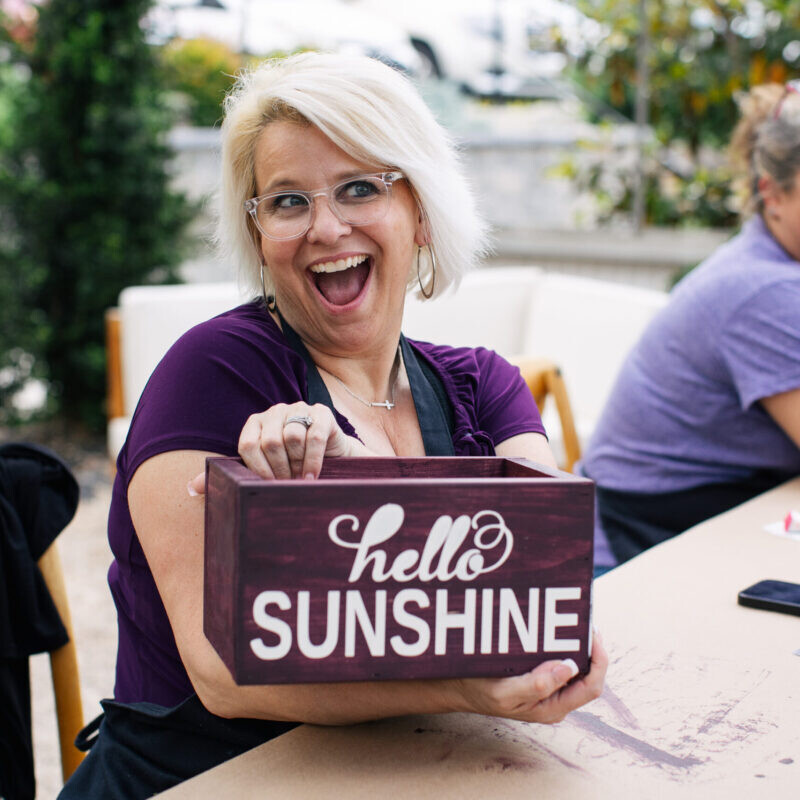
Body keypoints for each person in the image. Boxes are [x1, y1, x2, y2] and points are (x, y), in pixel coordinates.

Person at [60, 53, 606, 798]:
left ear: (419, 210)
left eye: (359, 188)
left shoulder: (485, 387)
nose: (325, 226)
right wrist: (466, 688)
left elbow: (551, 594)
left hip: (415, 775)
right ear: (258, 235)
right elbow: (223, 678)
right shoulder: (213, 375)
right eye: (287, 202)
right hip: (198, 779)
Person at [582, 82, 800, 570]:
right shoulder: (764, 291)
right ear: (772, 193)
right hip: (635, 547)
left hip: (699, 519)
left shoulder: (768, 262)